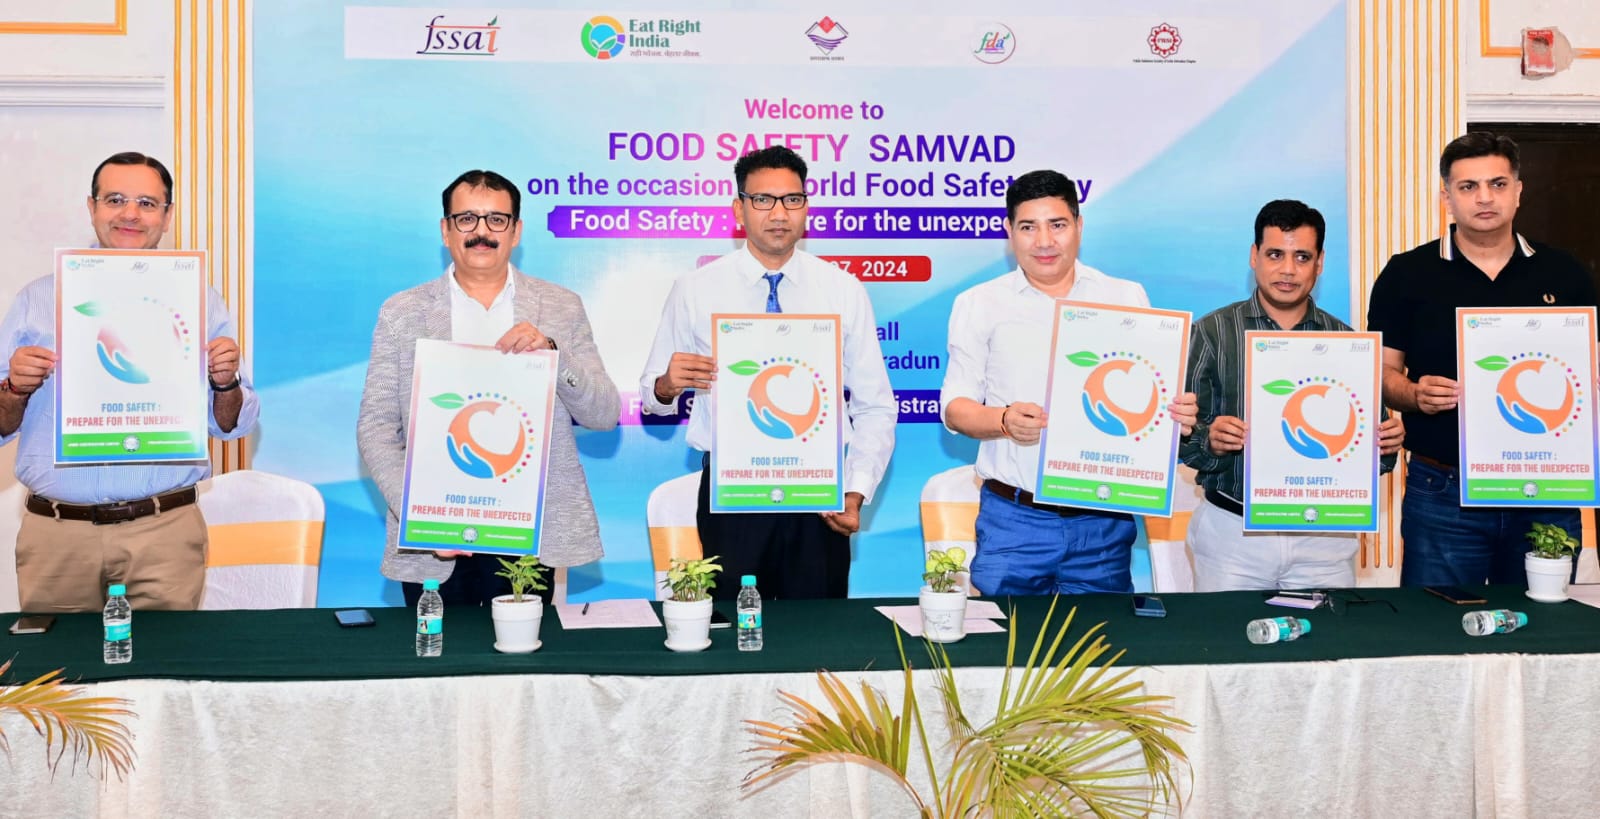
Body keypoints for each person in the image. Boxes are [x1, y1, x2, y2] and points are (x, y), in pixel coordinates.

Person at [0, 151, 259, 613]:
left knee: (168, 659)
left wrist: (226, 382)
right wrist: (15, 388)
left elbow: (231, 425)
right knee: (59, 662)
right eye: (115, 199)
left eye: (147, 203)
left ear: (167, 216)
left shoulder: (198, 300)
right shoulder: (37, 300)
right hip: (57, 536)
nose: (130, 214)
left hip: (164, 532)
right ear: (92, 207)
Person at [639, 146, 896, 600]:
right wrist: (666, 385)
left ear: (806, 208)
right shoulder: (696, 289)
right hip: (731, 498)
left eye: (792, 200)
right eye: (763, 200)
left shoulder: (841, 290)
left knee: (819, 632)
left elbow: (875, 406)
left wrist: (856, 490)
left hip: (818, 499)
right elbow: (652, 399)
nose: (779, 213)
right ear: (739, 209)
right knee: (731, 628)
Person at [357, 170, 619, 607]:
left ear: (517, 231)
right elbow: (376, 427)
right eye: (467, 219)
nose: (482, 231)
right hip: (436, 537)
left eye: (497, 219)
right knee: (438, 650)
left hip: (529, 534)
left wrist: (554, 354)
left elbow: (604, 413)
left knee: (524, 651)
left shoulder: (560, 306)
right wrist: (421, 517)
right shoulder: (403, 312)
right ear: (445, 230)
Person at [940, 170, 1198, 596]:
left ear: (1078, 225)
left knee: (1103, 638)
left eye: (1057, 225)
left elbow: (1148, 391)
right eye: (1028, 227)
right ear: (1009, 232)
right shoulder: (979, 304)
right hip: (1014, 520)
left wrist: (1175, 414)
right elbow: (955, 408)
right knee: (1008, 640)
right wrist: (1003, 420)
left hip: (1101, 520)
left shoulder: (1124, 297)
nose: (1044, 241)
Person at [1368, 131, 1596, 586]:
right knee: (1437, 624)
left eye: (1497, 183)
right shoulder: (1406, 274)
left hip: (1546, 491)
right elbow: (1382, 374)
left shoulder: (1565, 273)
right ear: (1446, 197)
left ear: (1518, 191)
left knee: (1545, 623)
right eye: (1468, 186)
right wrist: (1413, 393)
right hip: (1442, 492)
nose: (1485, 197)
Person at [1181, 200, 1405, 591]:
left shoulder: (1348, 343)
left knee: (1328, 633)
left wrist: (1386, 444)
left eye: (1302, 257)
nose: (1288, 269)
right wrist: (1210, 441)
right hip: (1234, 533)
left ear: (1320, 263)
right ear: (1254, 256)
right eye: (1275, 255)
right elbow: (1181, 439)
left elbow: (1377, 458)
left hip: (1325, 538)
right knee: (1224, 632)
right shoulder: (1213, 332)